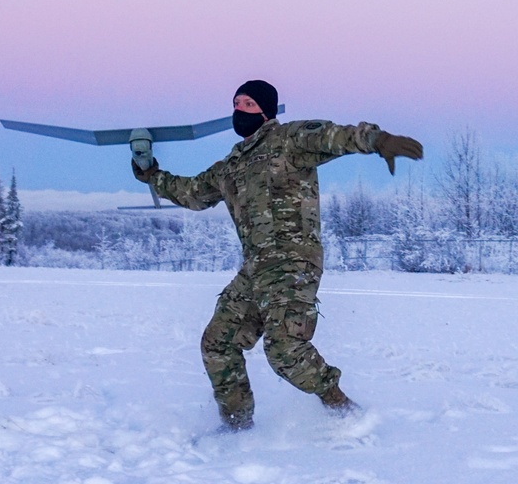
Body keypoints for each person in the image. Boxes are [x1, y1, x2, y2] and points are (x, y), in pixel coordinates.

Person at [132, 80, 423, 430]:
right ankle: (237, 425)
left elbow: (332, 136)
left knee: (284, 351)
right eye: (236, 103)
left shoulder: (289, 140)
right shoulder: (231, 166)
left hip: (292, 263)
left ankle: (344, 410)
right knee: (217, 343)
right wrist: (150, 173)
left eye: (249, 104)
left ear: (266, 111)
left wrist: (378, 141)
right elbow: (192, 193)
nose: (240, 110)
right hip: (254, 270)